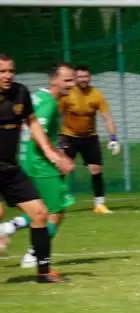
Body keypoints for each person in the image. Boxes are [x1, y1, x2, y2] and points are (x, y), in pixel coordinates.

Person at [0, 54, 73, 283]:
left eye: (11, 70)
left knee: (40, 213)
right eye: (2, 71)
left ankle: (43, 272)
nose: (8, 75)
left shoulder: (20, 92)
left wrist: (51, 152)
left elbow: (31, 122)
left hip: (9, 167)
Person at [59, 64, 120, 214]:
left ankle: (99, 204)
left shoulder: (97, 94)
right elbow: (56, 115)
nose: (83, 79)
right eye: (80, 77)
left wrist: (113, 138)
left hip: (90, 137)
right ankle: (54, 201)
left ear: (90, 77)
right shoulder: (67, 94)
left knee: (96, 169)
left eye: (86, 76)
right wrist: (55, 138)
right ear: (75, 78)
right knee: (62, 169)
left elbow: (107, 118)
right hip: (68, 136)